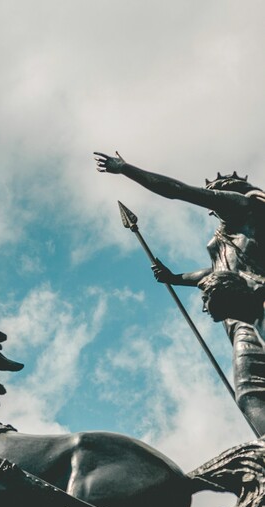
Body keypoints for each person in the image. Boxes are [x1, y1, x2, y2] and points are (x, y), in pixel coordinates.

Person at [96, 151, 265, 436]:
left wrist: (126, 169)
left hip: (258, 302)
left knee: (252, 391)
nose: (211, 200)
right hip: (238, 321)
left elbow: (178, 191)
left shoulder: (244, 208)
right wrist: (175, 278)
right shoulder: (225, 236)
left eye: (215, 193)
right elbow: (214, 271)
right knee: (249, 393)